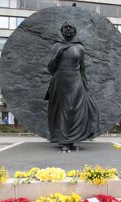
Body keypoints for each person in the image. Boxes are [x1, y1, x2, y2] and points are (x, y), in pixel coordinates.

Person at [45, 21, 99, 152]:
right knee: (63, 110)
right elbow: (50, 68)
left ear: (74, 31)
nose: (68, 30)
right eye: (66, 28)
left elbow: (83, 68)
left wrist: (86, 87)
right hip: (60, 80)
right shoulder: (56, 46)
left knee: (73, 109)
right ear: (62, 31)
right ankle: (65, 141)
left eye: (71, 28)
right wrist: (58, 54)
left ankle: (71, 140)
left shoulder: (79, 47)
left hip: (76, 80)